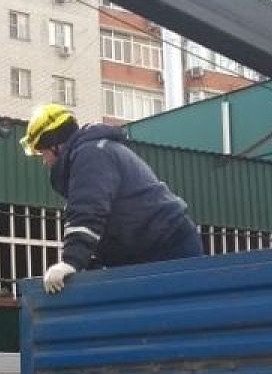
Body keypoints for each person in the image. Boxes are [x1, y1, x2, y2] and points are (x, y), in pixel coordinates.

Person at [20, 104, 204, 294]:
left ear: (55, 144)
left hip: (168, 247)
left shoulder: (91, 155)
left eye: (43, 153)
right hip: (155, 248)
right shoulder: (94, 151)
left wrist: (71, 262)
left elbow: (88, 211)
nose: (44, 161)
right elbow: (105, 223)